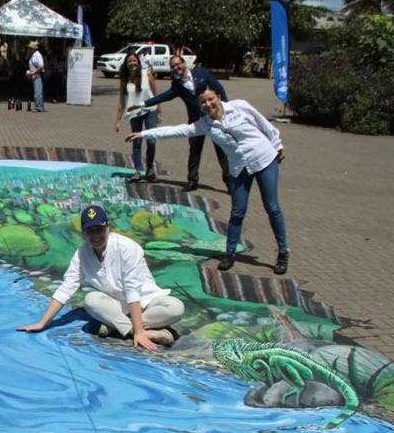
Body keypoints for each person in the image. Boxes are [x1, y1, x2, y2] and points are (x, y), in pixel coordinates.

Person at [126, 86, 289, 274]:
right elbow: (178, 130)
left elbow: (264, 124)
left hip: (264, 159)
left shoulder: (239, 107)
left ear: (218, 97)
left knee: (272, 207)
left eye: (210, 99)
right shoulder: (204, 124)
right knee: (237, 211)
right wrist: (144, 134)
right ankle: (229, 253)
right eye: (203, 102)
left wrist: (278, 145)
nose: (208, 104)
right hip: (239, 167)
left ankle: (283, 252)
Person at [17, 205, 184, 350]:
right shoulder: (81, 254)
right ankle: (144, 332)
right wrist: (43, 323)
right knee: (91, 300)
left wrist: (140, 332)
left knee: (175, 308)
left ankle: (116, 326)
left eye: (99, 229)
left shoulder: (126, 247)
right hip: (117, 306)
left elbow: (132, 290)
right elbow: (66, 288)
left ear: (108, 228)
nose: (95, 235)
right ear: (83, 232)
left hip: (146, 302)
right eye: (90, 230)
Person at [143, 55, 229, 193]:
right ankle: (192, 181)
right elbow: (164, 96)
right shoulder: (177, 85)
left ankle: (230, 182)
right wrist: (144, 104)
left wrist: (225, 109)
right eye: (173, 67)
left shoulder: (202, 73)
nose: (177, 68)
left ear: (184, 63)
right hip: (196, 122)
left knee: (222, 151)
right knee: (194, 152)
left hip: (213, 119)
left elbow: (219, 88)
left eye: (178, 64)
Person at [116, 52, 161, 183]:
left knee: (151, 141)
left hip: (149, 111)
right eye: (129, 61)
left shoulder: (147, 74)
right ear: (126, 64)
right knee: (137, 142)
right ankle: (137, 170)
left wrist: (159, 111)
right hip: (134, 114)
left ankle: (150, 170)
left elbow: (156, 95)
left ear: (138, 62)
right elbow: (121, 102)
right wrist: (118, 120)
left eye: (134, 61)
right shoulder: (124, 79)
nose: (132, 63)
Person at [26, 41, 45, 113]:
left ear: (32, 48)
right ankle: (39, 106)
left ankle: (39, 107)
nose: (28, 49)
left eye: (29, 48)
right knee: (37, 91)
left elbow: (41, 66)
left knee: (38, 92)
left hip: (38, 76)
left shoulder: (37, 55)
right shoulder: (33, 55)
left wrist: (32, 73)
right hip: (35, 75)